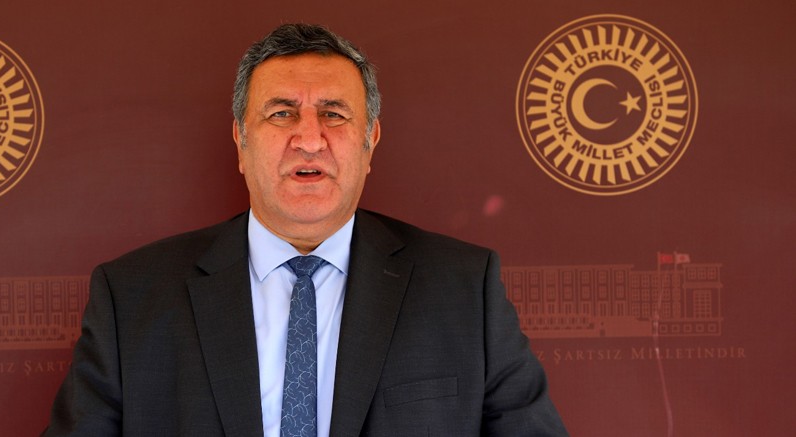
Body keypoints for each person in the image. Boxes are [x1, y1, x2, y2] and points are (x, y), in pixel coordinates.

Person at [44, 24, 568, 436]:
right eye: (281, 113)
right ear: (240, 141)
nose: (310, 139)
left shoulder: (464, 289)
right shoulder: (132, 296)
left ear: (370, 141)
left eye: (334, 114)